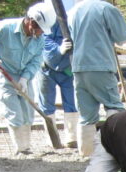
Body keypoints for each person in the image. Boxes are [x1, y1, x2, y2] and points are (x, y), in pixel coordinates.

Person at [0, 3, 55, 154]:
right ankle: (21, 149)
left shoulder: (39, 39)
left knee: (27, 112)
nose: (40, 34)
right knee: (13, 110)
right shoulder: (6, 28)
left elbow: (36, 60)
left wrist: (25, 78)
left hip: (24, 76)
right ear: (30, 22)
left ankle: (26, 146)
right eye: (39, 30)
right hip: (5, 74)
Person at [68, 0, 126, 156]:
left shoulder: (74, 11)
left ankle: (86, 153)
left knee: (86, 116)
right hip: (100, 64)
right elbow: (122, 36)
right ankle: (118, 150)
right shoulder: (106, 8)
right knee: (114, 107)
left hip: (79, 67)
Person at [37, 0, 79, 148]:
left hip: (67, 68)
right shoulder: (46, 20)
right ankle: (53, 138)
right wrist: (58, 49)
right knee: (47, 104)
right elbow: (43, 41)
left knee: (71, 102)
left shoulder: (72, 21)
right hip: (47, 69)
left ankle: (72, 137)